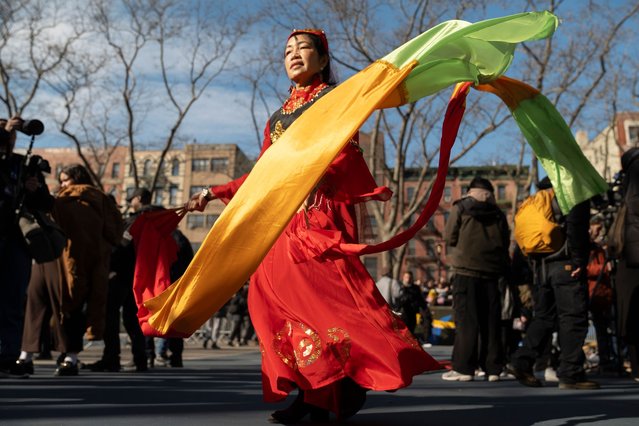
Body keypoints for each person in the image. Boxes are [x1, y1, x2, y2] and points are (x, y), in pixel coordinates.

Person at [184, 28, 437, 423]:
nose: (294, 54)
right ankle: (311, 391)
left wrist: (315, 172)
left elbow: (345, 158)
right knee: (270, 304)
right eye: (288, 50)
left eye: (304, 48)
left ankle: (337, 390)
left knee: (322, 306)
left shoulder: (334, 102)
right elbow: (264, 174)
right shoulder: (277, 118)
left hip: (318, 219)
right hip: (280, 225)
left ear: (322, 60)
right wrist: (214, 191)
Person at [19, 164, 123, 376]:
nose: (63, 184)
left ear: (77, 179)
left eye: (66, 180)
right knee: (66, 308)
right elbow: (113, 233)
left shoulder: (76, 200)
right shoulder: (100, 201)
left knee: (42, 306)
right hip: (73, 260)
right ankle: (68, 358)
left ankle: (27, 357)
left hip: (58, 257)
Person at [508, 177, 599, 389]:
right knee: (573, 318)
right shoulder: (571, 193)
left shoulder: (538, 198)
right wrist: (579, 259)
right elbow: (576, 227)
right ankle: (571, 373)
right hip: (566, 265)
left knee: (543, 318)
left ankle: (522, 360)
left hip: (542, 267)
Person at [0, 116, 54, 377]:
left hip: (15, 242)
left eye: (11, 134)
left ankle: (8, 356)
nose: (9, 137)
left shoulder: (24, 164)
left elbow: (47, 204)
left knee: (12, 300)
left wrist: (34, 190)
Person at [442, 176, 509, 383]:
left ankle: (464, 368)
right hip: (491, 273)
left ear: (471, 190)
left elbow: (449, 236)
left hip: (465, 271)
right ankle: (493, 369)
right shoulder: (498, 213)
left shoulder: (461, 207)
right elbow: (505, 241)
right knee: (491, 322)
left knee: (466, 321)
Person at [85, 192, 149, 373]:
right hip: (128, 275)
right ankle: (138, 357)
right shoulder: (126, 222)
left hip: (119, 276)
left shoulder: (123, 224)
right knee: (129, 318)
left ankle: (113, 357)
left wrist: (109, 264)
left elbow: (120, 248)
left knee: (113, 317)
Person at [612, 147, 639, 381]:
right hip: (633, 255)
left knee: (630, 314)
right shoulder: (636, 173)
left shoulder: (630, 176)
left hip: (629, 255)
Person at [396, 271, 431, 343]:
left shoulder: (415, 288)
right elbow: (398, 301)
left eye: (409, 277)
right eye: (406, 277)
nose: (408, 279)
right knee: (404, 332)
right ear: (403, 278)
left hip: (412, 313)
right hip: (403, 313)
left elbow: (420, 300)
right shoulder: (400, 287)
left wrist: (423, 308)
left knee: (411, 330)